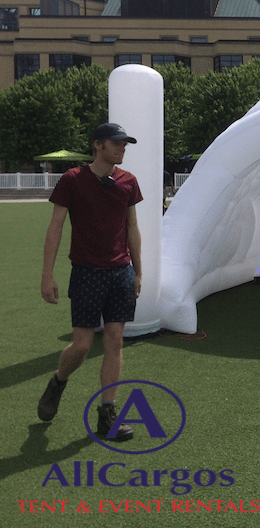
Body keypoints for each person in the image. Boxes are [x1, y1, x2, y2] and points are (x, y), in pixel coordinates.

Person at [38, 123, 143, 441]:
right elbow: (55, 227)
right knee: (82, 346)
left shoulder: (128, 182)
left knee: (115, 342)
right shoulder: (72, 180)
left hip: (120, 272)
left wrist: (138, 271)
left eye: (125, 144)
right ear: (98, 145)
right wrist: (47, 275)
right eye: (117, 143)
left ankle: (107, 415)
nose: (122, 148)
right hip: (86, 272)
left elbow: (132, 229)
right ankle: (58, 381)